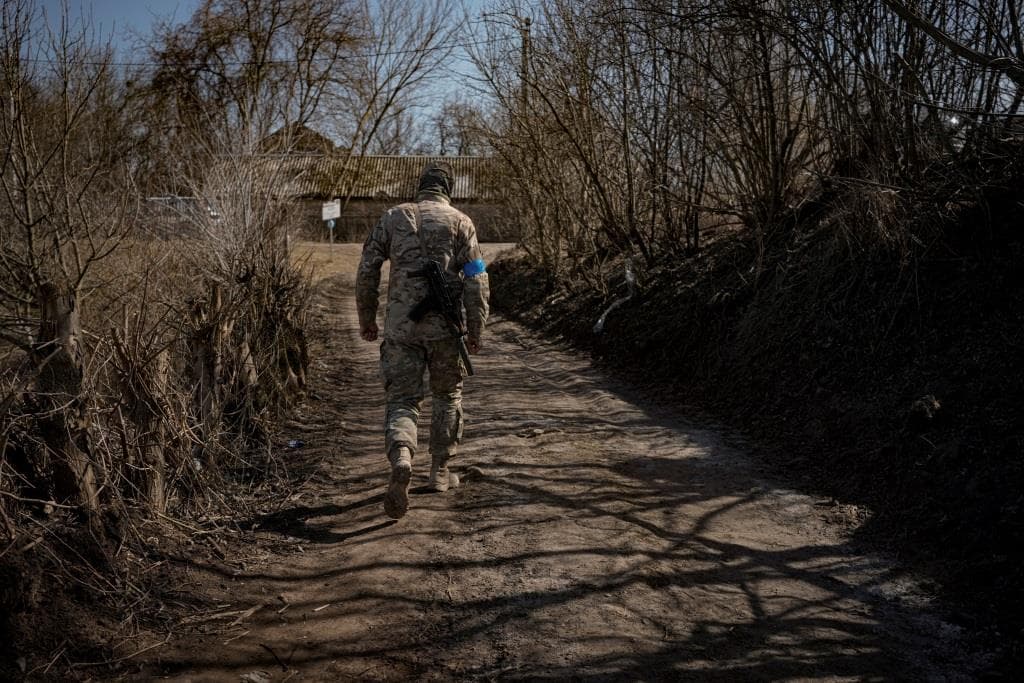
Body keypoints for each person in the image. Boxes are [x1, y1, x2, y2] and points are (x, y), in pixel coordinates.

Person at [355, 162, 490, 519]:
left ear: (420, 188)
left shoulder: (392, 218)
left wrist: (366, 318)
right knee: (448, 395)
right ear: (448, 190)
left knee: (402, 398)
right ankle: (440, 472)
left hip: (401, 330)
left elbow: (367, 267)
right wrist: (476, 329)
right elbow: (477, 278)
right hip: (445, 330)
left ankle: (402, 455)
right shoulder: (462, 222)